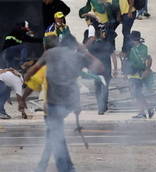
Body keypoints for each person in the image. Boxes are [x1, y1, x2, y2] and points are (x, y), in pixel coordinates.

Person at [24, 34, 104, 172]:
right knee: (55, 134)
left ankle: (64, 169)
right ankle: (65, 167)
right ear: (75, 45)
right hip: (69, 103)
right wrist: (85, 51)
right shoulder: (78, 57)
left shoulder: (50, 53)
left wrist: (26, 78)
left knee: (55, 135)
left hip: (54, 103)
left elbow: (34, 68)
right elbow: (100, 68)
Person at [86, 24, 115, 115]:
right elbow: (113, 56)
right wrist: (116, 69)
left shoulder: (92, 46)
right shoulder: (107, 44)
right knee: (105, 88)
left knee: (98, 88)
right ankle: (104, 106)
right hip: (106, 70)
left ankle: (100, 107)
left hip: (96, 70)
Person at [126, 31, 154, 119]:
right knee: (136, 93)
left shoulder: (143, 48)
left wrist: (146, 70)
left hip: (139, 73)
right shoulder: (131, 48)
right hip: (132, 73)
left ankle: (142, 112)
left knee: (137, 93)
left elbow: (146, 59)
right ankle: (148, 109)